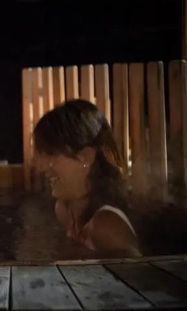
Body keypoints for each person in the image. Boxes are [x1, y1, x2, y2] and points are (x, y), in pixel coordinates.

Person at [32, 99, 141, 258]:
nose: (41, 167)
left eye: (51, 154)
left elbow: (140, 272)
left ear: (86, 156)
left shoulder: (107, 225)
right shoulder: (64, 211)